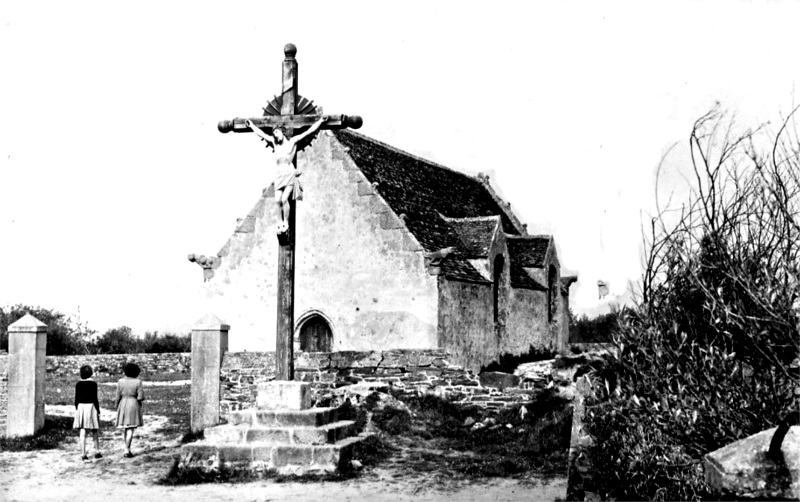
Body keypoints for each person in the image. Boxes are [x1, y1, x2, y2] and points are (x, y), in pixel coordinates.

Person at [244, 116, 327, 234]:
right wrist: (252, 125)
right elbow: (261, 134)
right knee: (277, 200)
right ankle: (279, 222)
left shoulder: (293, 141)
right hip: (279, 175)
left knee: (284, 199)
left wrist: (320, 121)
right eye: (274, 133)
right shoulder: (275, 143)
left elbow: (309, 131)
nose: (275, 135)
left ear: (282, 132)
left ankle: (286, 222)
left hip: (289, 174)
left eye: (277, 132)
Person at [73, 365, 102, 461]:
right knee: (94, 430)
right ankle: (97, 451)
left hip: (81, 407)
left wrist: (77, 408)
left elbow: (76, 399)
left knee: (82, 431)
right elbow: (95, 398)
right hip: (91, 406)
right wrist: (98, 410)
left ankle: (83, 453)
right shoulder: (93, 384)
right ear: (91, 373)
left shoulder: (78, 384)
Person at [115, 362, 144, 458]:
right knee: (131, 428)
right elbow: (140, 397)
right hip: (133, 404)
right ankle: (127, 449)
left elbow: (117, 396)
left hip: (123, 403)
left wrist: (116, 406)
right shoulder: (138, 382)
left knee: (126, 428)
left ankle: (126, 447)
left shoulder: (120, 381)